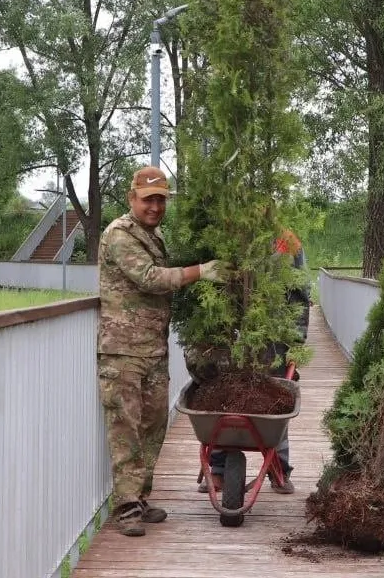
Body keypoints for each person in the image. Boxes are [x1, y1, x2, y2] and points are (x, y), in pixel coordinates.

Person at [97, 166, 226, 538]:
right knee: (126, 431)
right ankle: (125, 509)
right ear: (131, 198)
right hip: (121, 352)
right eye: (148, 199)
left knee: (153, 427)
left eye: (160, 200)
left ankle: (140, 497)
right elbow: (150, 279)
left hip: (152, 350)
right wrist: (199, 272)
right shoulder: (119, 235)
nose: (155, 207)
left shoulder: (154, 235)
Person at [194, 226, 310, 495]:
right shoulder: (224, 234)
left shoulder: (286, 239)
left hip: (272, 334)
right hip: (229, 333)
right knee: (222, 397)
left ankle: (279, 468)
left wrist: (297, 339)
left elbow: (299, 292)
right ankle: (219, 468)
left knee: (277, 397)